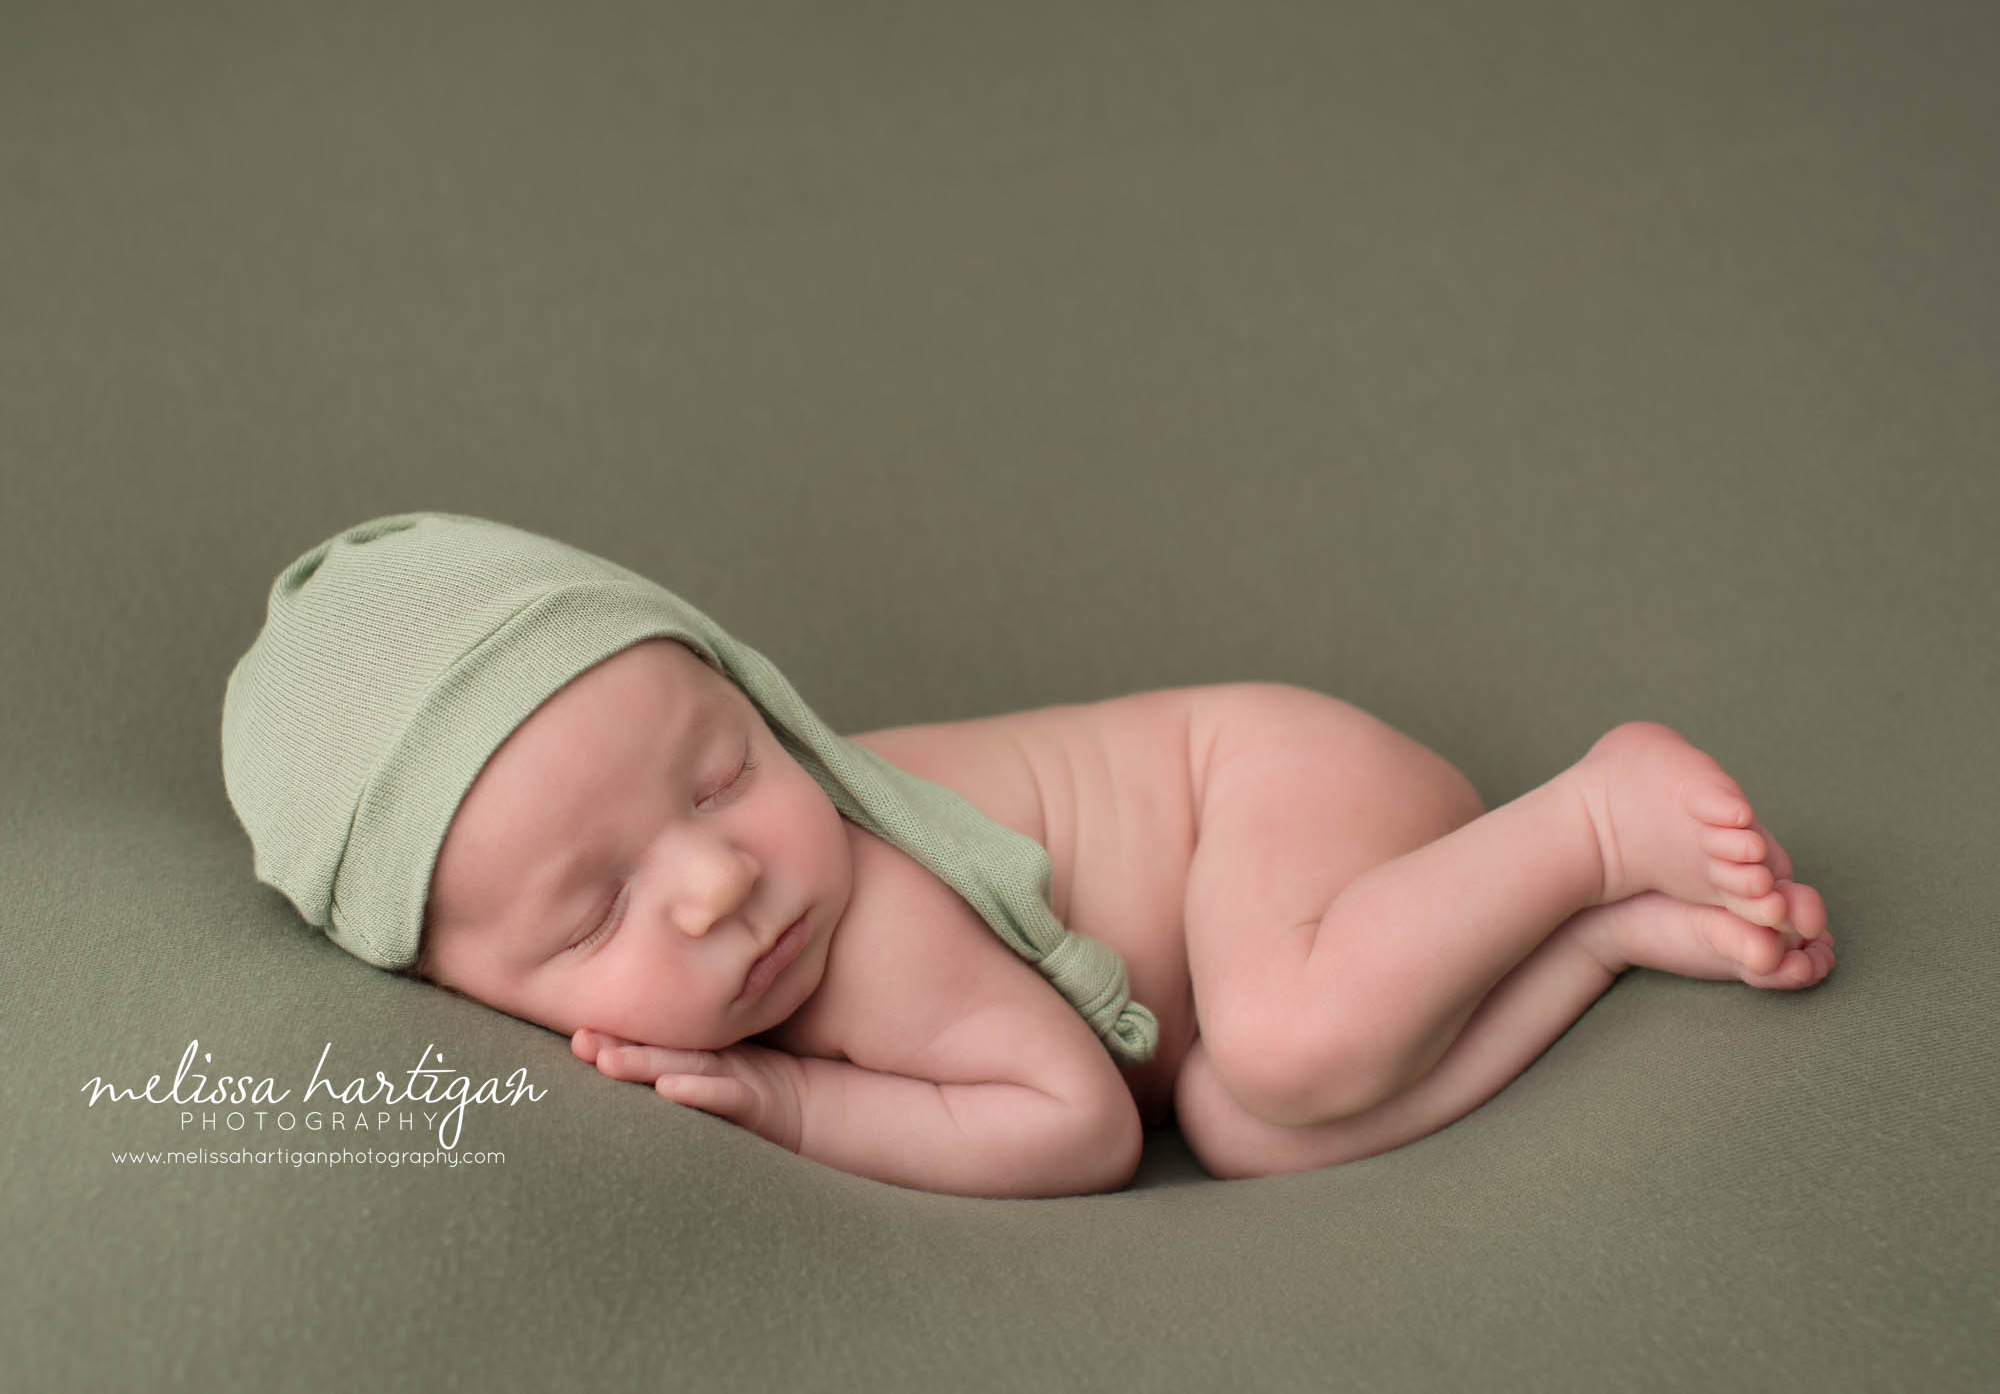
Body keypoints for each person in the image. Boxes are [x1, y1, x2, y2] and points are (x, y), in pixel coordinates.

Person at [223, 513, 1832, 1197]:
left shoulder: (865, 924)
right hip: (1244, 928)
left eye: (726, 774)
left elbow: (1078, 1127)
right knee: (1251, 1120)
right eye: (593, 914)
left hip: (1268, 786)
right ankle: (1592, 930)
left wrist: (799, 1104)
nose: (720, 884)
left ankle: (1591, 818)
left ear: (754, 693)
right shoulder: (735, 907)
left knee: (1280, 1040)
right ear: (456, 984)